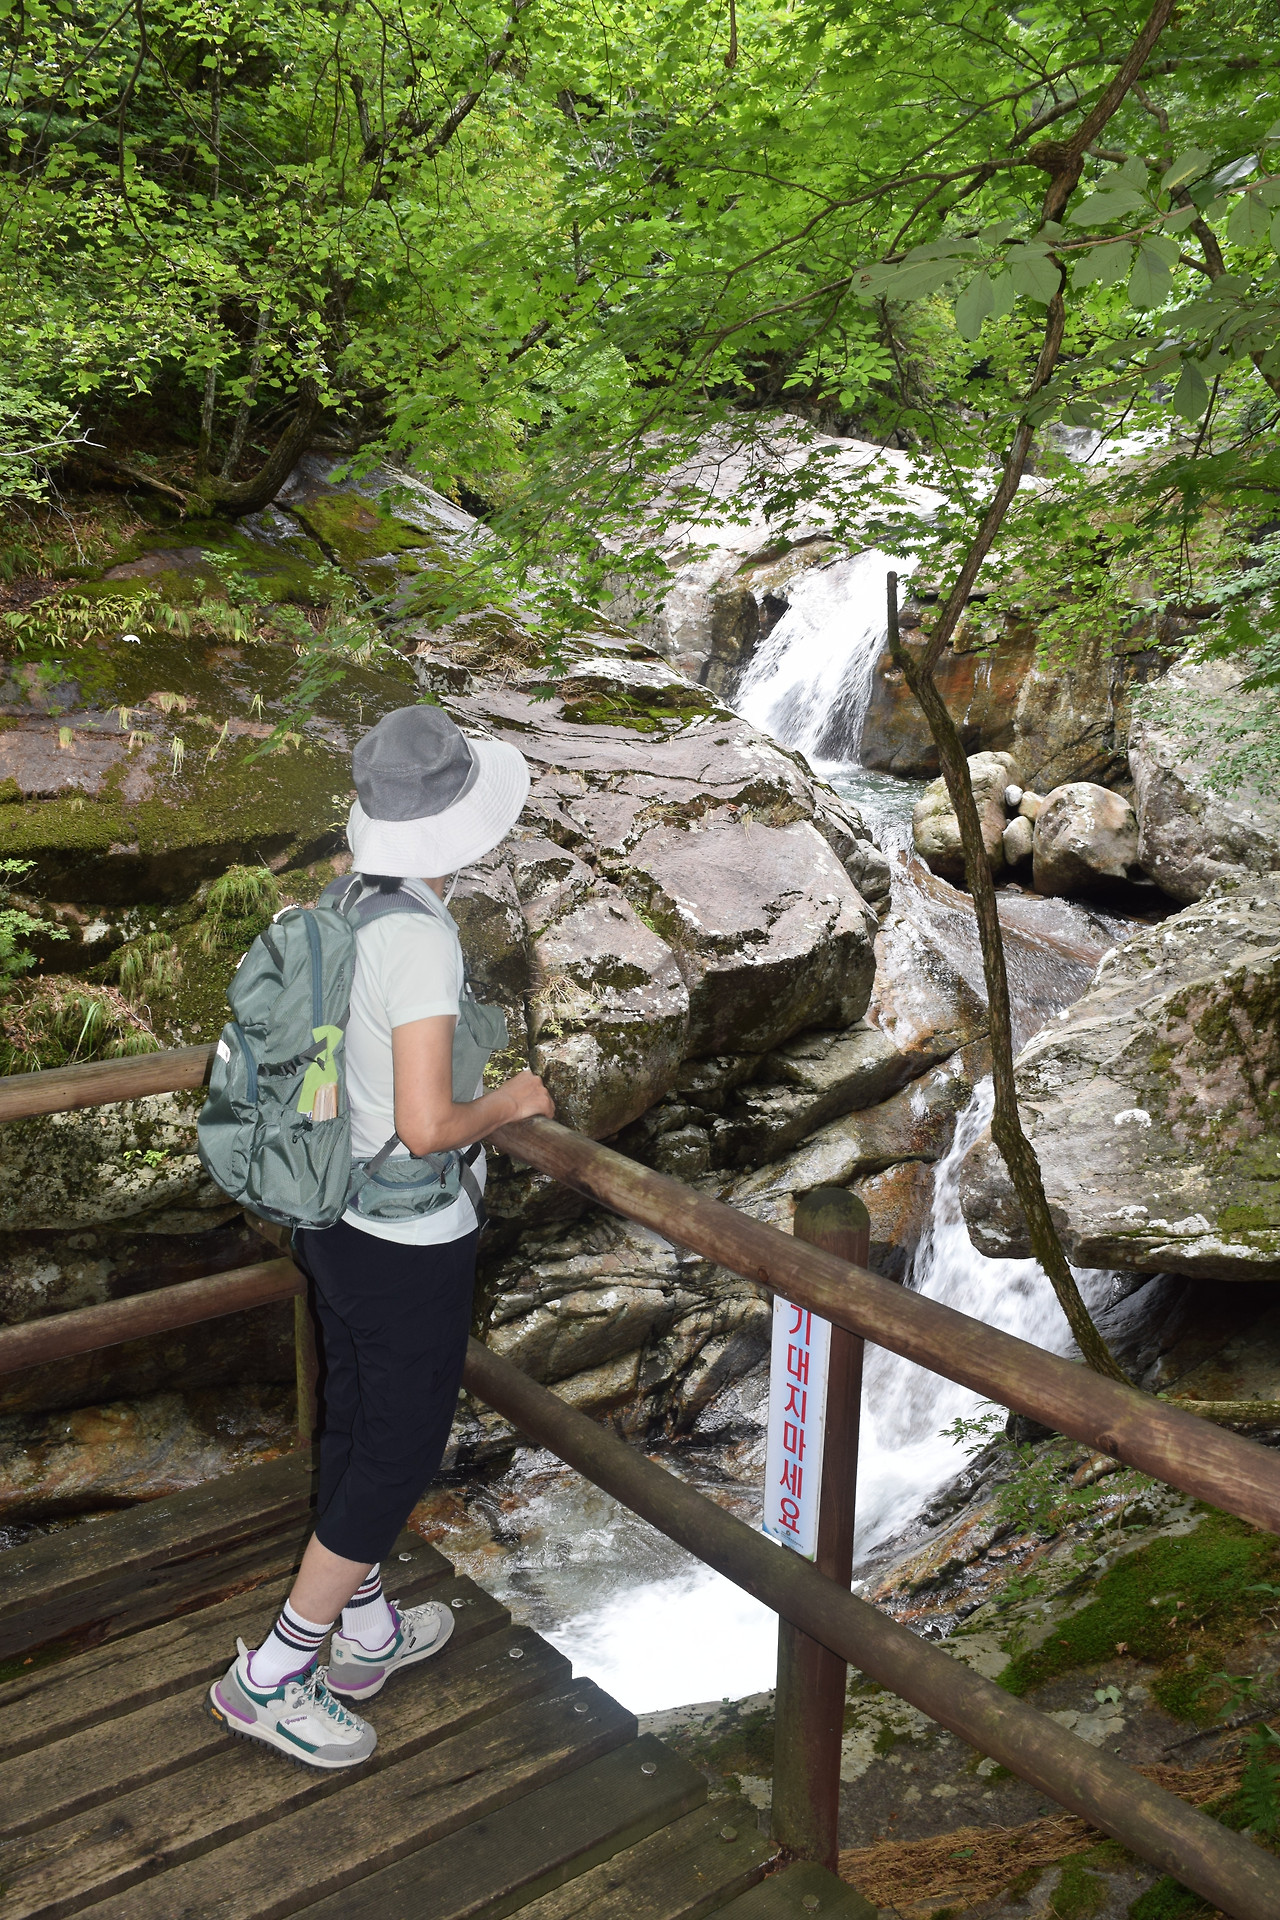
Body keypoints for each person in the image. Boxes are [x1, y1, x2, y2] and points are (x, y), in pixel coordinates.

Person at [208, 704, 554, 1768]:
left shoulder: (349, 898)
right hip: (406, 1237)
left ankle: (363, 1634)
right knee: (396, 1453)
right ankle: (272, 1676)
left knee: (358, 1420)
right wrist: (513, 1102)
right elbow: (428, 1124)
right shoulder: (418, 938)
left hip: (330, 1209)